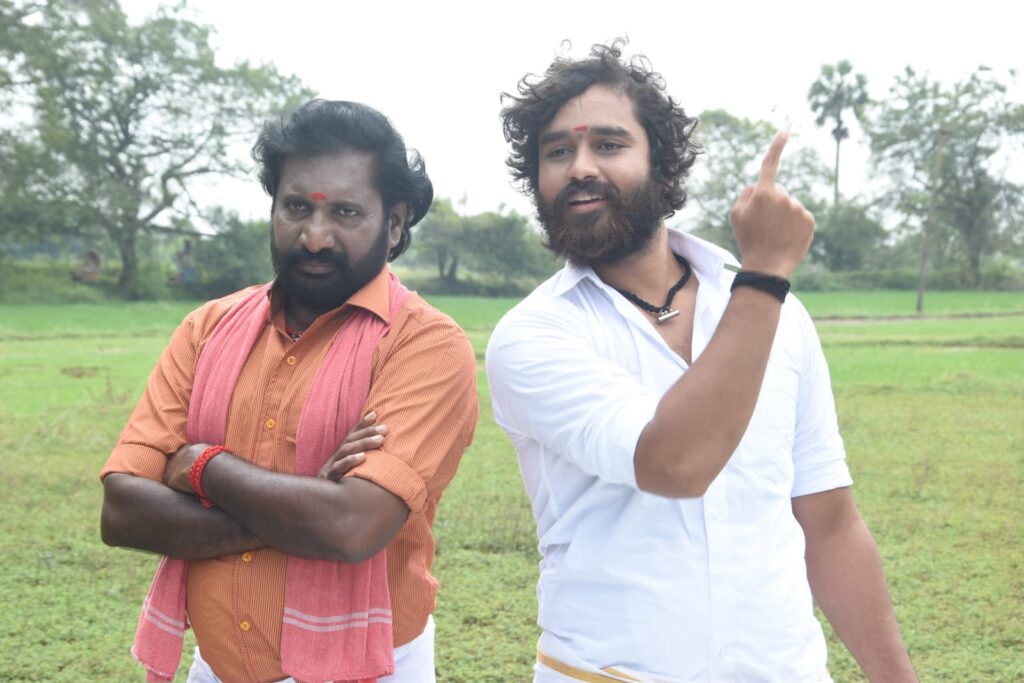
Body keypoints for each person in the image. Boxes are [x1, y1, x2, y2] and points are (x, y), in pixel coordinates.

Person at [486, 41, 917, 682]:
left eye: (609, 144)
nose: (580, 167)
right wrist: (766, 272)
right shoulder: (534, 335)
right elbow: (676, 463)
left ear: (663, 166)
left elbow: (829, 524)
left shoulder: (778, 316)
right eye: (557, 153)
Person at [101, 99, 477, 683]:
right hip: (216, 666)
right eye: (297, 207)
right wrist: (309, 503)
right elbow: (123, 513)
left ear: (395, 222)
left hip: (370, 668)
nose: (315, 237)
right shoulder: (208, 328)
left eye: (346, 212)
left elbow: (351, 527)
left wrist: (202, 466)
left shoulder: (424, 344)